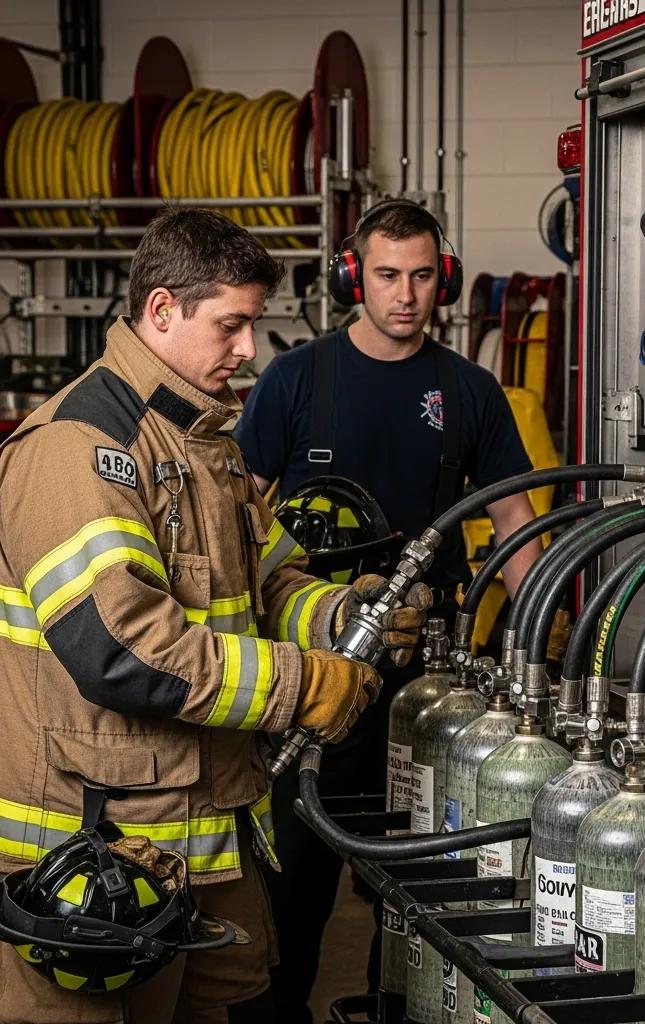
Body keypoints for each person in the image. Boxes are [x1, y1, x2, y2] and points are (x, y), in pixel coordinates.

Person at [0, 208, 429, 1024]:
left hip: (203, 841)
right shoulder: (77, 448)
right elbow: (120, 649)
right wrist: (303, 684)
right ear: (162, 310)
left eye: (253, 325)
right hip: (96, 863)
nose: (247, 349)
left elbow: (272, 584)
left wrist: (342, 613)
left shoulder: (208, 446)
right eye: (231, 326)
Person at [233, 199, 546, 1022]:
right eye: (386, 275)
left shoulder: (469, 391)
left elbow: (515, 524)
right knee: (291, 883)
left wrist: (546, 654)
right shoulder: (296, 380)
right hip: (313, 671)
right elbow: (236, 517)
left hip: (423, 682)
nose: (405, 295)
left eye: (421, 276)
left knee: (414, 886)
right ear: (354, 276)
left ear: (443, 278)